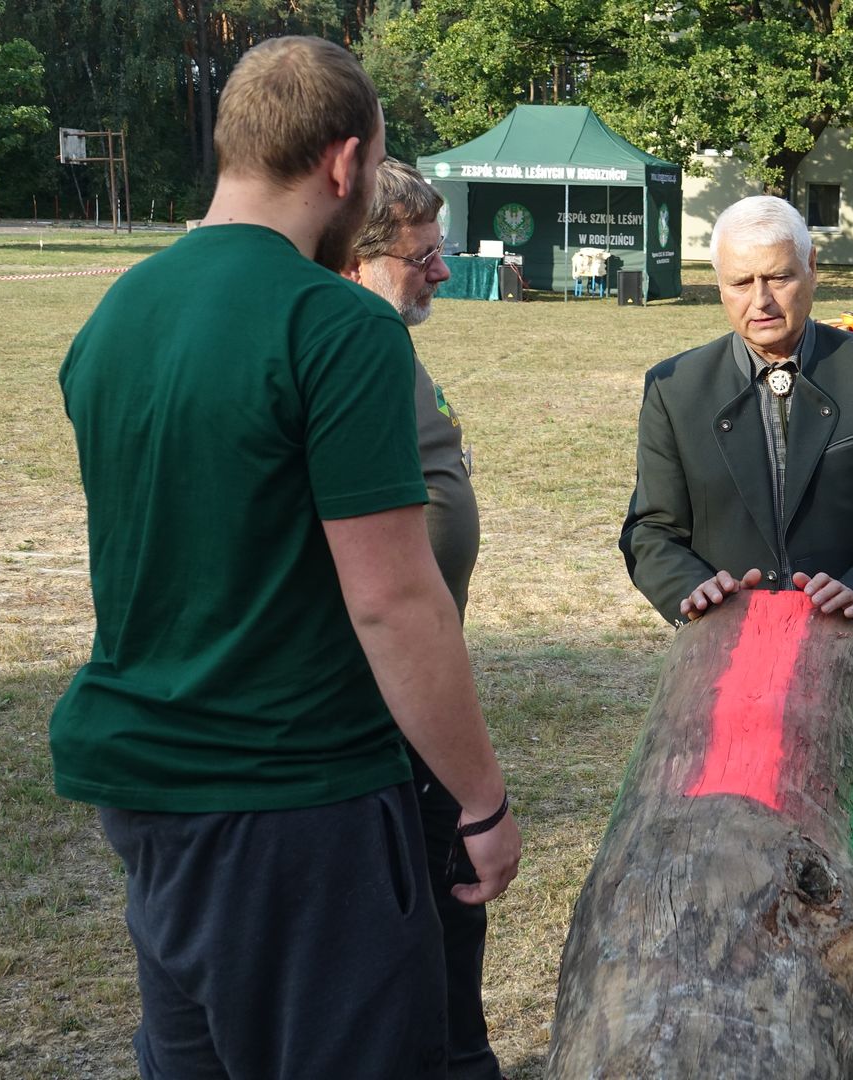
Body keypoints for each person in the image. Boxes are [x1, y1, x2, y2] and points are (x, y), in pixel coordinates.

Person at [51, 36, 519, 1080]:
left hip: (150, 793)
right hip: (293, 804)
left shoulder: (118, 312)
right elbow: (395, 599)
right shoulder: (336, 324)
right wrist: (480, 802)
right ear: (345, 165)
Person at [619, 194, 853, 749]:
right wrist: (695, 591)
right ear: (719, 285)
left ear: (812, 267)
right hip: (726, 667)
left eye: (778, 277)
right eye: (740, 283)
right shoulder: (673, 388)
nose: (761, 300)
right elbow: (651, 530)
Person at [343, 158, 501, 1080]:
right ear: (357, 258)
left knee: (445, 912)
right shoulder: (351, 342)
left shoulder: (380, 337)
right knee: (434, 904)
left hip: (416, 679)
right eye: (423, 256)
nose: (441, 272)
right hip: (385, 696)